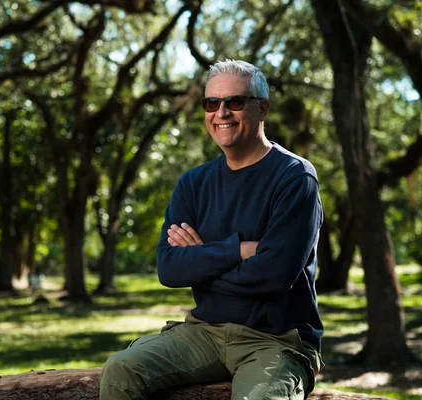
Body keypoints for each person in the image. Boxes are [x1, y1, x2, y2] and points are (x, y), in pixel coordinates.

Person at [99, 59, 324, 400]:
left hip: (276, 340)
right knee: (121, 370)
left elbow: (274, 276)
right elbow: (170, 268)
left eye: (234, 102)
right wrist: (237, 251)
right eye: (211, 103)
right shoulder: (193, 184)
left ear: (262, 108)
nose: (222, 113)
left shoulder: (295, 177)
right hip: (204, 333)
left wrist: (202, 260)